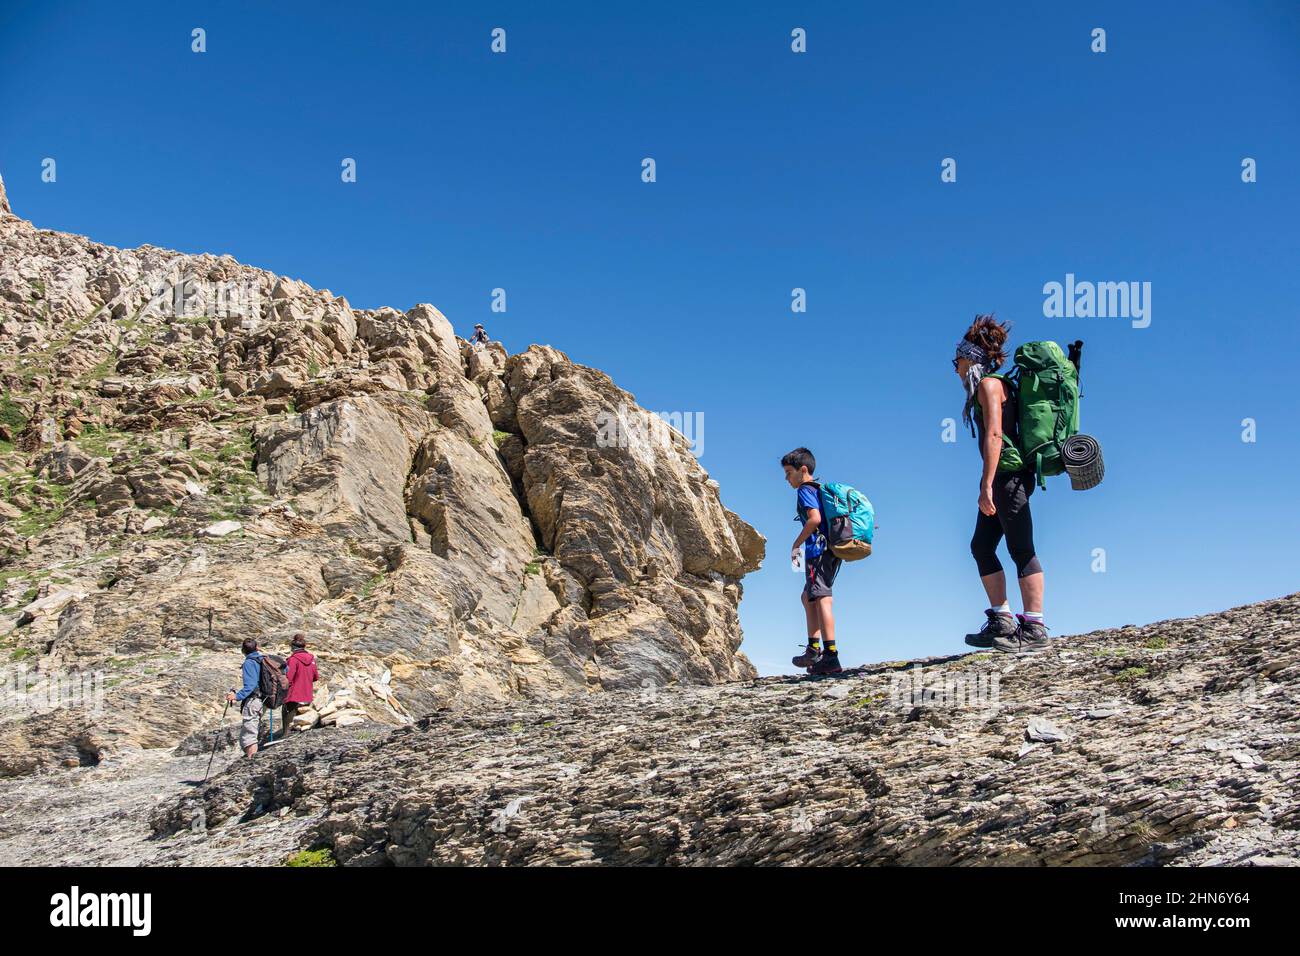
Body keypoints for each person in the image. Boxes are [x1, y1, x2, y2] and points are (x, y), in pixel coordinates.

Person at [954, 315, 1048, 653]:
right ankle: (1002, 619)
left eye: (958, 360)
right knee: (981, 546)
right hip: (1002, 478)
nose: (956, 368)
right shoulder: (992, 385)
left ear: (972, 357)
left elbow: (995, 435)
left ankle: (1035, 626)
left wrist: (987, 484)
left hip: (1008, 477)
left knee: (1021, 548)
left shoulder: (990, 386)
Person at [781, 447, 843, 675]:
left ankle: (830, 656)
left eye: (789, 473)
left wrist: (796, 543)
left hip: (819, 550)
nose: (787, 479)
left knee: (822, 599)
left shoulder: (805, 489)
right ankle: (814, 649)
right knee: (808, 596)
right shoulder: (818, 488)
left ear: (803, 469)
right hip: (829, 550)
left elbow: (814, 519)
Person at [225, 638, 264, 757]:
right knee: (251, 731)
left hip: (254, 700)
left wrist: (236, 696)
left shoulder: (249, 662)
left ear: (243, 650)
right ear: (257, 648)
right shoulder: (263, 659)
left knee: (248, 736)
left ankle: (251, 761)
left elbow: (250, 685)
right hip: (264, 699)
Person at [283, 633, 318, 733]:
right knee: (303, 721)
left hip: (293, 695)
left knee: (289, 719)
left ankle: (286, 735)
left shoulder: (293, 660)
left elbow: (289, 678)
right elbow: (315, 677)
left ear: (293, 647)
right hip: (307, 695)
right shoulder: (312, 659)